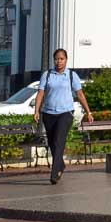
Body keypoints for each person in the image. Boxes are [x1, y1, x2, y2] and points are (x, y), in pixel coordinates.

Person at [32, 48, 92, 184]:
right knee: (53, 142)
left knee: (59, 141)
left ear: (66, 60)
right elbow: (40, 94)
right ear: (54, 60)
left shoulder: (71, 75)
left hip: (65, 113)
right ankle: (61, 165)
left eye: (61, 59)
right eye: (56, 59)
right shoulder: (47, 75)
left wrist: (88, 111)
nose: (59, 61)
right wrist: (36, 111)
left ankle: (54, 173)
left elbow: (80, 94)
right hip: (48, 113)